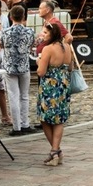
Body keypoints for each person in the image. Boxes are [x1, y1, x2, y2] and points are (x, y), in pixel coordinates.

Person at [36, 21, 72, 166]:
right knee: (59, 118)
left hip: (50, 86)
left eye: (45, 33)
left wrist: (39, 61)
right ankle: (56, 150)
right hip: (63, 85)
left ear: (52, 34)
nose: (42, 35)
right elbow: (71, 67)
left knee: (45, 118)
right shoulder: (67, 47)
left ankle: (55, 151)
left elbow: (41, 72)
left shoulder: (48, 49)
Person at [0, 4, 36, 136]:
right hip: (24, 66)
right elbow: (32, 44)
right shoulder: (29, 31)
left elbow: (1, 45)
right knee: (24, 96)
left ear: (10, 17)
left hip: (9, 66)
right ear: (24, 17)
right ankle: (25, 123)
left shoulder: (5, 32)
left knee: (13, 96)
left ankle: (16, 127)